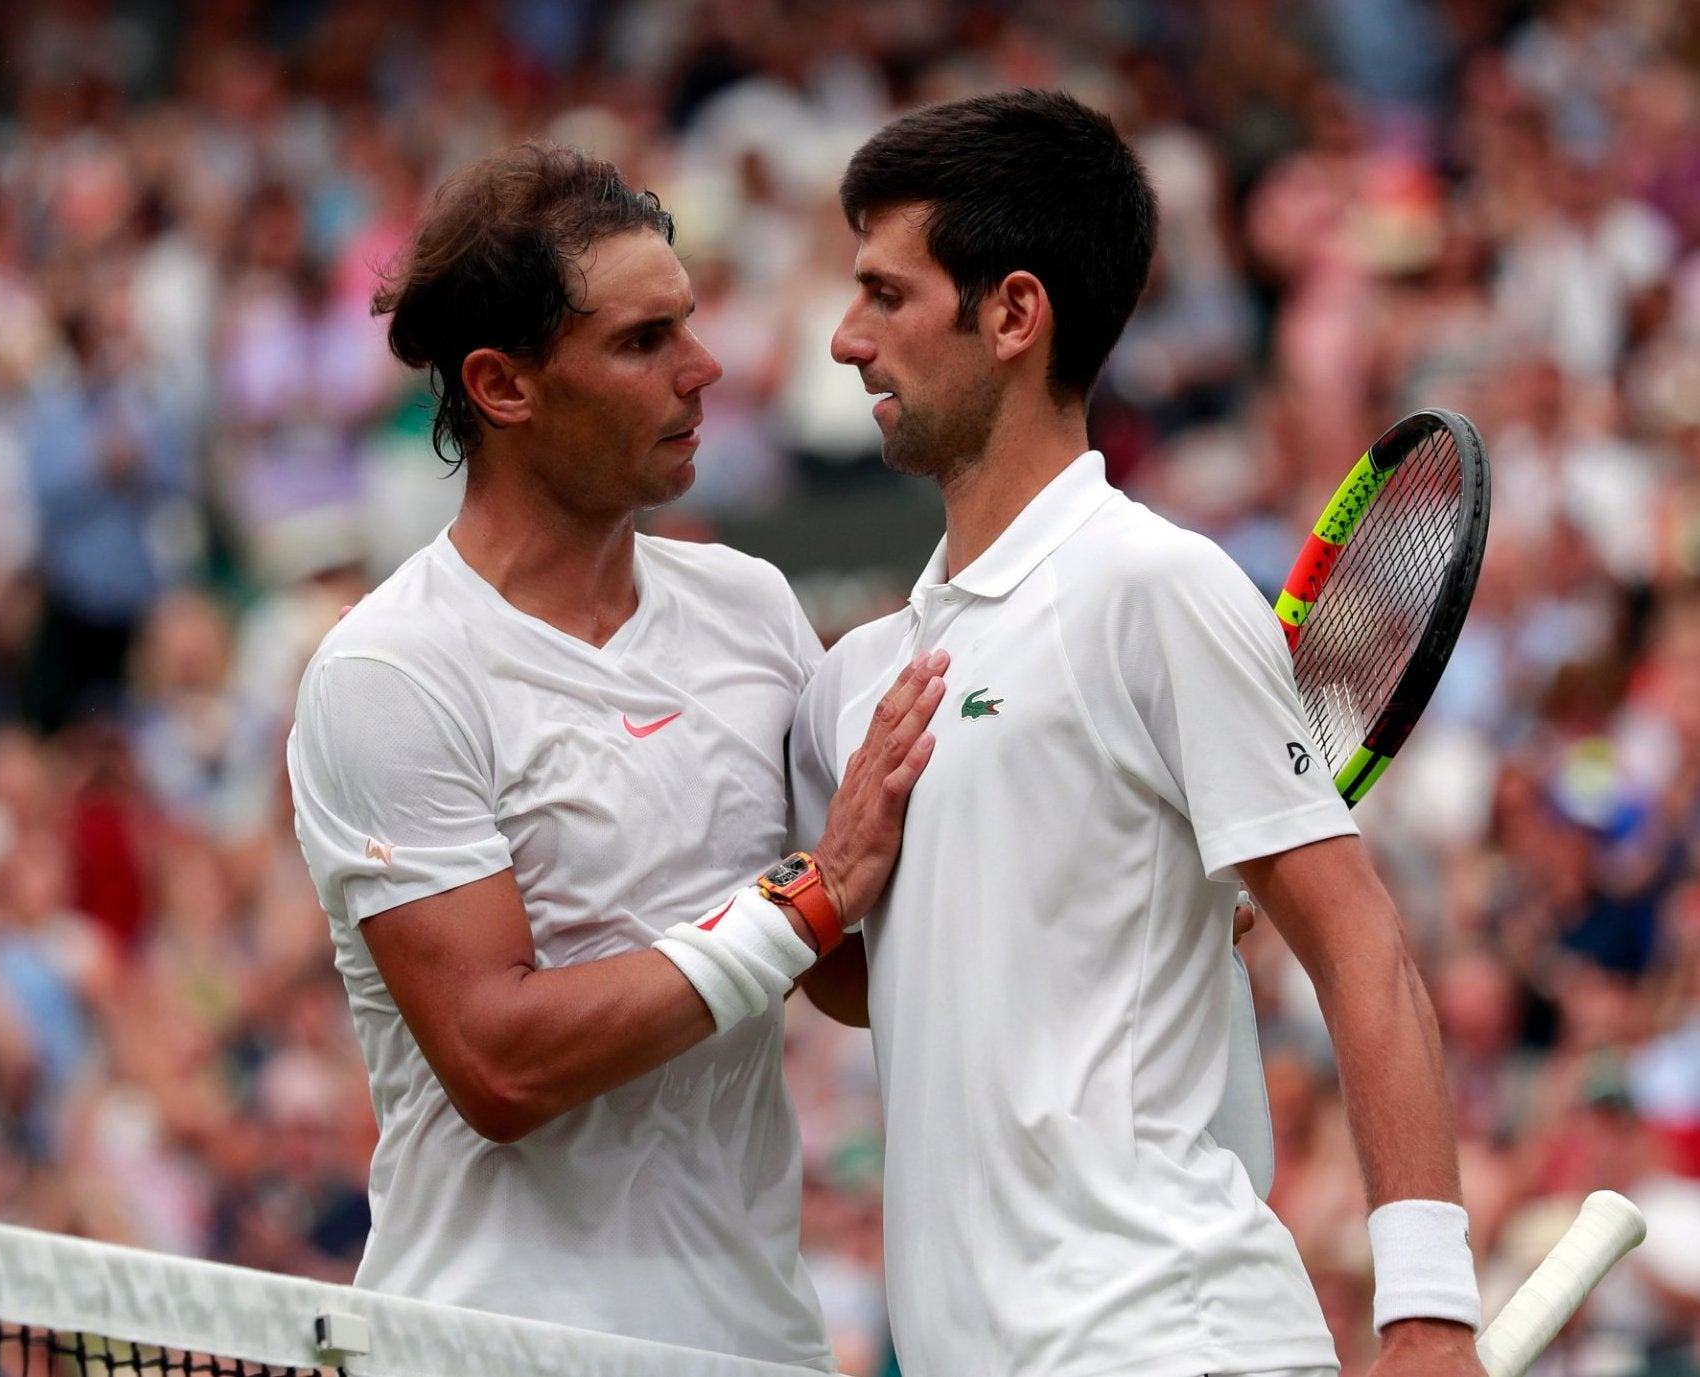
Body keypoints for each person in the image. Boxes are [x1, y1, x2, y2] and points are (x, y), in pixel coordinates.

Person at [789, 89, 1484, 1377]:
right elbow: (873, 985)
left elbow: (1361, 947)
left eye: (887, 296)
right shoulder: (855, 685)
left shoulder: (1149, 587)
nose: (844, 340)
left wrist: (1429, 1317)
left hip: (1172, 1339)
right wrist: (827, 891)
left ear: (1012, 314)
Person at [285, 144, 946, 1369]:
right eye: (644, 343)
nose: (704, 372)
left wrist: (1116, 902)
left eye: (689, 326)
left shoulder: (751, 607)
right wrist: (810, 897)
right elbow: (502, 1061)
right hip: (488, 1352)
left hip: (751, 1348)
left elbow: (845, 973)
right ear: (503, 386)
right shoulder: (389, 673)